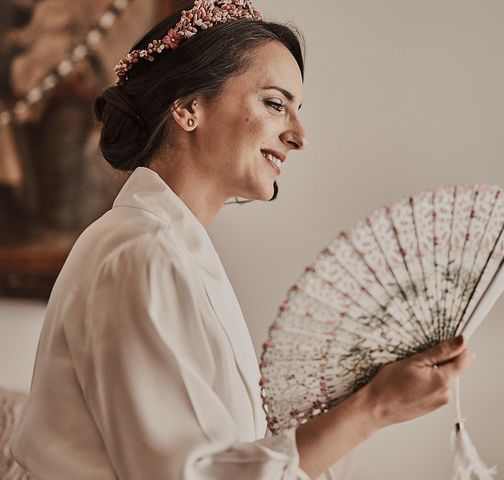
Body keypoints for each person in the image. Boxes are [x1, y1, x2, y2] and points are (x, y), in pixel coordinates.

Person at [10, 1, 474, 479]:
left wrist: (361, 400)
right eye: (275, 104)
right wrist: (371, 409)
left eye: (296, 109)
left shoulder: (176, 254)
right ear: (189, 107)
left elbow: (227, 459)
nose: (299, 136)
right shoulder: (141, 252)